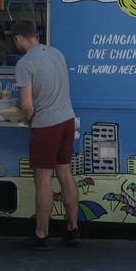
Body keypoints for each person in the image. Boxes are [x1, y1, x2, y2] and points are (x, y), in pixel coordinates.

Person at [11, 20, 80, 250]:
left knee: (43, 180)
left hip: (47, 125)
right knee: (65, 173)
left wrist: (26, 119)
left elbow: (27, 106)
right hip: (67, 120)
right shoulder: (56, 53)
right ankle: (72, 229)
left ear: (18, 38)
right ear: (35, 35)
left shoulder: (24, 63)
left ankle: (41, 235)